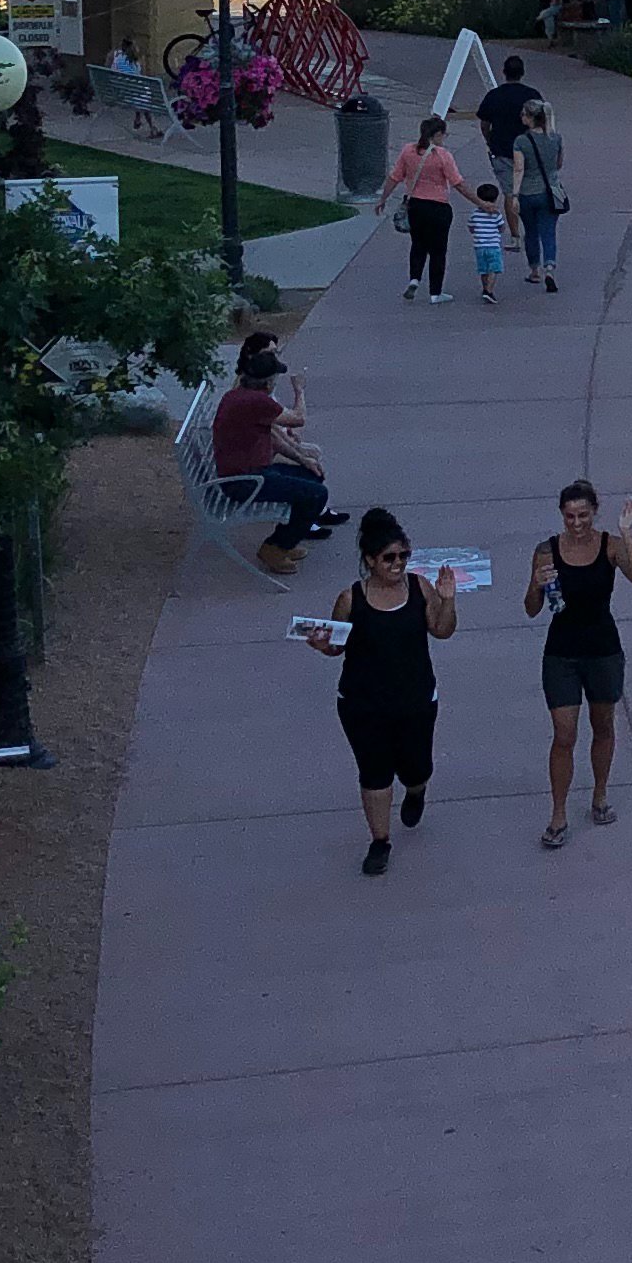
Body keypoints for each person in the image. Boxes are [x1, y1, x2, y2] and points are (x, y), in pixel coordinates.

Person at [310, 506, 454, 875]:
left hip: (415, 699)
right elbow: (336, 646)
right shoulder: (350, 600)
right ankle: (380, 841)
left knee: (416, 768)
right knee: (374, 772)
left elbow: (442, 629)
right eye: (389, 557)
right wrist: (320, 643)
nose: (398, 563)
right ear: (370, 560)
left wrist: (448, 598)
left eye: (404, 556)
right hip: (362, 703)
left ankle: (416, 790)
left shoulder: (420, 588)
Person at [523, 478, 632, 850]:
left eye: (583, 515)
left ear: (595, 512)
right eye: (570, 516)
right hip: (561, 652)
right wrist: (535, 584)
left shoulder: (609, 546)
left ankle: (600, 795)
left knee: (603, 724)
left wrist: (627, 533)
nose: (577, 523)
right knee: (564, 734)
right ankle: (558, 814)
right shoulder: (546, 552)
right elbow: (531, 609)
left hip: (603, 650)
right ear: (562, 515)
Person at [209, 332, 337, 570]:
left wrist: (302, 459)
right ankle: (275, 548)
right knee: (317, 494)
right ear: (268, 382)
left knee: (313, 476)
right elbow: (297, 420)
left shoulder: (238, 396)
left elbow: (273, 438)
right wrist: (299, 390)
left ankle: (285, 540)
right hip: (245, 481)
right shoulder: (257, 402)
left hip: (251, 472)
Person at [380, 113, 482, 303]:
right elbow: (458, 183)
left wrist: (383, 199)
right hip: (438, 207)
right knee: (438, 250)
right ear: (437, 135)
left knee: (417, 245)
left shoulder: (408, 151)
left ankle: (414, 279)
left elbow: (395, 177)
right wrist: (480, 203)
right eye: (444, 135)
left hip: (415, 205)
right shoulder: (443, 156)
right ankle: (436, 292)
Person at [506, 105, 564, 293]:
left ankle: (534, 270)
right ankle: (550, 268)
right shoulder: (555, 138)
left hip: (528, 192)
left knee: (531, 231)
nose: (521, 116)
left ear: (530, 117)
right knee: (549, 231)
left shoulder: (521, 141)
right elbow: (558, 164)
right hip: (550, 192)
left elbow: (518, 168)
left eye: (523, 114)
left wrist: (514, 195)